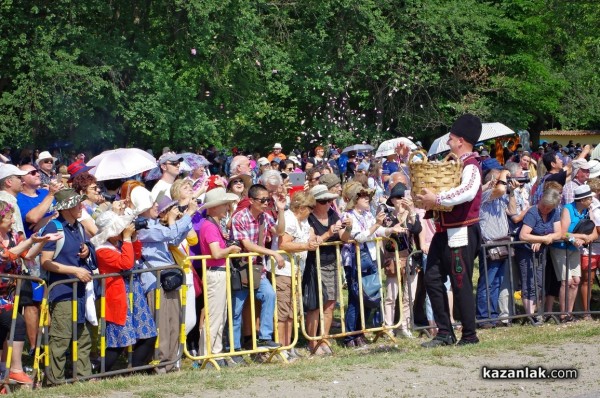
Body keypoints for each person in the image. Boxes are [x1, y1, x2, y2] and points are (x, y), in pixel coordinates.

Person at [417, 114, 483, 347]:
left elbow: (467, 191)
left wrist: (438, 198)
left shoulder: (471, 166)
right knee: (432, 279)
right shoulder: (454, 164)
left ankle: (469, 334)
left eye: (451, 138)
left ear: (461, 141)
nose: (448, 142)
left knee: (460, 282)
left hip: (461, 231)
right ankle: (445, 332)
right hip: (444, 231)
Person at [136, 187, 197, 373]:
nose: (157, 206)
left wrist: (183, 218)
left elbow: (175, 239)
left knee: (173, 321)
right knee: (161, 323)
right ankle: (160, 364)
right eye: (153, 203)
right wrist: (189, 214)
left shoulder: (155, 225)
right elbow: (169, 234)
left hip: (169, 277)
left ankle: (171, 362)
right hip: (154, 279)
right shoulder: (141, 227)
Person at [40, 188, 95, 383]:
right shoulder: (53, 228)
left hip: (80, 290)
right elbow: (45, 262)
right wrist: (75, 271)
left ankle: (84, 376)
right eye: (77, 204)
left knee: (83, 337)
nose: (82, 206)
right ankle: (55, 380)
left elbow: (82, 251)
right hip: (62, 291)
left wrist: (86, 252)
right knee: (61, 338)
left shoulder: (79, 227)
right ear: (66, 208)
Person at [91, 211, 157, 371]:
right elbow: (126, 264)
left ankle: (136, 368)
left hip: (134, 293)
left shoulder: (117, 244)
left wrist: (132, 238)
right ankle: (100, 372)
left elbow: (136, 256)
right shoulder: (103, 250)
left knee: (148, 334)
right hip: (118, 297)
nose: (122, 230)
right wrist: (127, 238)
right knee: (120, 341)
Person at [0, 200, 55, 384]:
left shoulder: (15, 236)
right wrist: (31, 240)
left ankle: (3, 376)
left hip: (9, 294)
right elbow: (6, 255)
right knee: (18, 323)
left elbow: (28, 255)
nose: (13, 220)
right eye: (9, 217)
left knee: (2, 335)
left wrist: (41, 242)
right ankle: (15, 369)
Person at [342, 183, 400, 348]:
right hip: (354, 261)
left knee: (370, 297)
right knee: (355, 299)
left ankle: (360, 333)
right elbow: (359, 237)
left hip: (371, 260)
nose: (367, 198)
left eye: (368, 196)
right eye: (362, 196)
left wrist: (390, 229)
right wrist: (376, 224)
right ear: (355, 199)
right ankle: (350, 337)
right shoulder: (348, 216)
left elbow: (377, 232)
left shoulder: (367, 215)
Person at [230, 184, 286, 350]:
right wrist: (273, 253)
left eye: (268, 200)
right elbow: (247, 245)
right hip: (240, 270)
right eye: (263, 200)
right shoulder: (240, 217)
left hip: (257, 270)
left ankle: (265, 336)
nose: (266, 203)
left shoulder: (265, 216)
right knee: (236, 310)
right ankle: (235, 347)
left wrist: (281, 210)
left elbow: (280, 231)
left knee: (269, 295)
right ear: (251, 200)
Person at [304, 185, 351, 354]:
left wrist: (348, 227)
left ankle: (324, 338)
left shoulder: (333, 214)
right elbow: (312, 242)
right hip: (314, 264)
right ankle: (313, 342)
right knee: (315, 306)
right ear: (314, 202)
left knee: (330, 304)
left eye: (330, 200)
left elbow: (344, 238)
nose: (328, 203)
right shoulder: (309, 218)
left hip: (332, 262)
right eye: (323, 201)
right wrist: (329, 232)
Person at [197, 188, 241, 367]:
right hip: (215, 273)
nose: (226, 207)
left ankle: (215, 352)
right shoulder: (209, 226)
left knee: (219, 315)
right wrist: (230, 249)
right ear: (214, 207)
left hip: (217, 273)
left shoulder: (211, 225)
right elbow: (216, 253)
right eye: (223, 205)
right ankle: (209, 354)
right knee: (215, 316)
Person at [278, 191, 318, 360]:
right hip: (283, 271)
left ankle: (290, 346)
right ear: (301, 207)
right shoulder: (289, 219)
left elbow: (311, 235)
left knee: (292, 312)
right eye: (310, 208)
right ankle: (282, 348)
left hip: (296, 270)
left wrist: (314, 239)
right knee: (283, 312)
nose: (312, 211)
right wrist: (306, 245)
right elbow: (284, 244)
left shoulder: (303, 221)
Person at [550, 185, 597, 322]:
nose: (592, 201)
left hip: (574, 249)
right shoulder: (567, 209)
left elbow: (593, 230)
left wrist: (588, 237)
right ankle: (563, 314)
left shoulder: (587, 211)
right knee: (567, 281)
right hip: (561, 248)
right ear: (582, 200)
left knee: (576, 281)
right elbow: (563, 232)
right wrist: (578, 237)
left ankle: (569, 313)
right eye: (589, 199)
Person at [382, 182, 421, 338]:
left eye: (403, 197)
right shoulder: (387, 217)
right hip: (394, 259)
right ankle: (388, 327)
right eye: (398, 197)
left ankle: (404, 326)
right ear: (392, 200)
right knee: (391, 296)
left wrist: (411, 211)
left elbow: (417, 229)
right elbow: (387, 234)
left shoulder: (412, 214)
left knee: (408, 296)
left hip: (410, 258)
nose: (401, 200)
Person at [517, 189, 562, 325]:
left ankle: (538, 313)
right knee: (529, 281)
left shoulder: (554, 212)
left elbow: (559, 233)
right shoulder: (533, 212)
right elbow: (523, 235)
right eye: (543, 206)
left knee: (540, 281)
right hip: (526, 252)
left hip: (541, 252)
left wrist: (546, 238)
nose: (545, 209)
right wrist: (543, 239)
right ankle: (530, 315)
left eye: (549, 208)